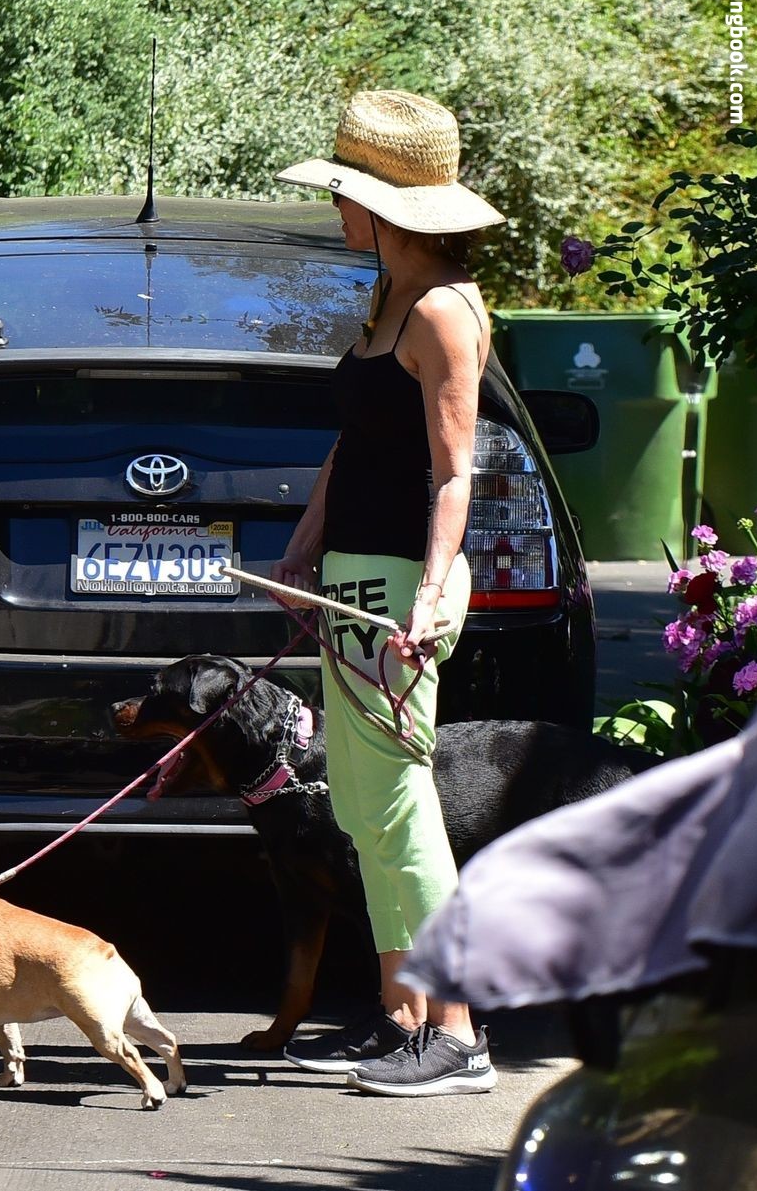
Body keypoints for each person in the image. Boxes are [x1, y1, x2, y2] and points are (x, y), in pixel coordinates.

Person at [268, 89, 503, 1097]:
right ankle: (402, 1011)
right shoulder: (389, 299)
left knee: (401, 802)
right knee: (363, 806)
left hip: (401, 584)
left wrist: (431, 593)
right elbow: (356, 446)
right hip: (356, 577)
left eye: (345, 193)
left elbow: (453, 475)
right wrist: (301, 550)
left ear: (384, 206)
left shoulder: (443, 309)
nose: (335, 209)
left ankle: (459, 1033)